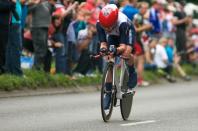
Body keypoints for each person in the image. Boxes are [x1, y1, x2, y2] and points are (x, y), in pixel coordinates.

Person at [96, 4, 137, 110]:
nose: (108, 29)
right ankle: (108, 93)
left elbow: (123, 47)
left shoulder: (122, 23)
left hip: (127, 32)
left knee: (126, 53)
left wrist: (117, 50)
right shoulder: (99, 23)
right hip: (114, 36)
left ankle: (132, 71)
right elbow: (103, 43)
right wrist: (104, 49)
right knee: (110, 57)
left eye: (110, 26)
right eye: (105, 27)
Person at [0, 0, 17, 75]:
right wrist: (12, 3)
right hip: (1, 25)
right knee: (2, 47)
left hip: (6, 25)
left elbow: (12, 9)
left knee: (4, 48)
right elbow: (2, 6)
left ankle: (2, 69)